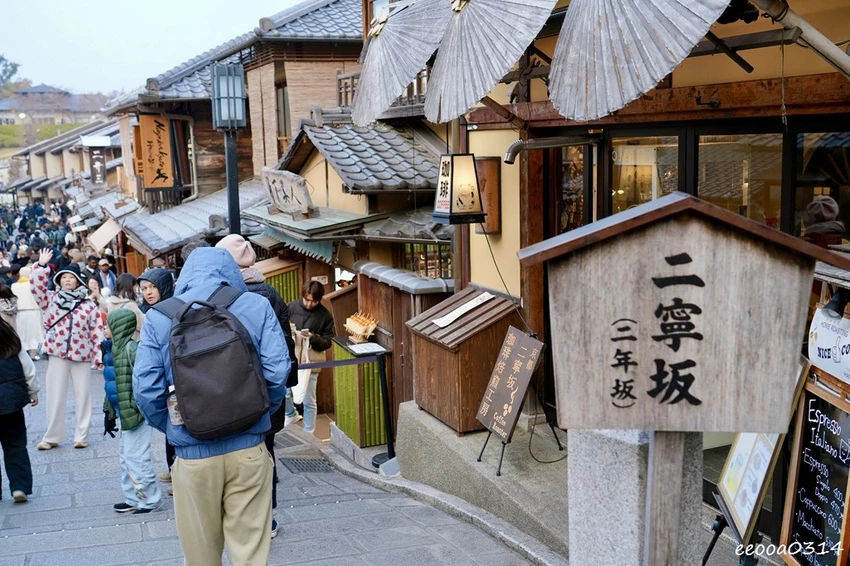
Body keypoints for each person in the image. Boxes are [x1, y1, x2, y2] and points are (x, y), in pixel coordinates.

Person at [134, 247, 289, 566]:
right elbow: (277, 370)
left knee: (202, 555)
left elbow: (146, 389)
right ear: (231, 272)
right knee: (250, 554)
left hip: (192, 457)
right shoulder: (256, 305)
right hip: (249, 449)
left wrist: (174, 425)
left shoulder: (159, 317)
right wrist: (259, 411)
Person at [216, 234, 298, 539]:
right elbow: (284, 344)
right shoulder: (270, 292)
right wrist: (283, 387)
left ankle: (240, 515)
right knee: (267, 453)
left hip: (235, 389)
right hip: (268, 388)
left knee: (240, 452)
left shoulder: (223, 294)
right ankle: (269, 516)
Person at [31, 250, 105, 450]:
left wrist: (99, 356)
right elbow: (37, 290)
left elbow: (97, 332)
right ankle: (52, 437)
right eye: (63, 277)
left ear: (79, 282)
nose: (66, 280)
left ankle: (81, 435)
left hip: (81, 355)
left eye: (70, 278)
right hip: (57, 353)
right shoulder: (51, 300)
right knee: (55, 395)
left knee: (84, 396)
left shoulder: (89, 306)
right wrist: (41, 267)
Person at [102, 309, 163, 514]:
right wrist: (108, 410)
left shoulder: (132, 349)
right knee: (125, 456)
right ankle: (133, 497)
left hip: (136, 412)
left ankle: (150, 499)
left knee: (137, 457)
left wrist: (141, 405)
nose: (104, 329)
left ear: (118, 327)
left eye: (107, 325)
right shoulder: (112, 351)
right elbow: (113, 383)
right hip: (123, 411)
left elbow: (146, 380)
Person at [287, 281, 335, 434]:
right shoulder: (291, 307)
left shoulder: (325, 315)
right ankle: (290, 414)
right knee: (284, 392)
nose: (309, 303)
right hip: (291, 358)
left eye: (313, 301)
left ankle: (309, 433)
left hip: (311, 361)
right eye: (306, 299)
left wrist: (313, 338)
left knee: (309, 400)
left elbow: (328, 341)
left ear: (319, 299)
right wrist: (290, 332)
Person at [0, 317, 39, 503]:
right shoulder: (10, 338)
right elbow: (28, 368)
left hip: (10, 400)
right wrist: (33, 392)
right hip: (12, 401)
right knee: (15, 444)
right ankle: (19, 486)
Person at [11, 267, 43, 361]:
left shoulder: (14, 285)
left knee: (21, 334)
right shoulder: (34, 285)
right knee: (33, 334)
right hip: (34, 311)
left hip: (20, 313)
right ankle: (33, 355)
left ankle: (22, 355)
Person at [107, 274, 144, 340]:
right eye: (135, 286)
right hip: (132, 344)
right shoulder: (130, 305)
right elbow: (143, 325)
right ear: (130, 286)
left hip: (118, 343)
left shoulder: (111, 303)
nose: (136, 289)